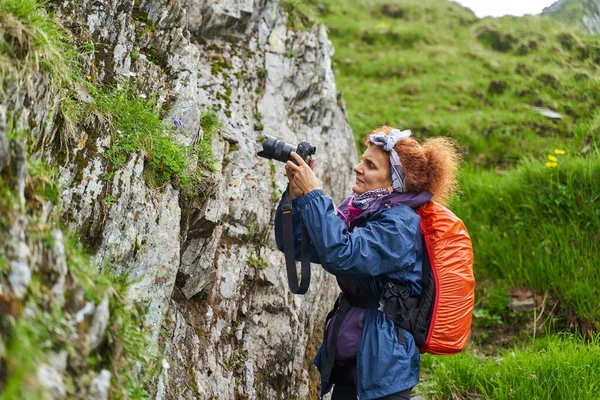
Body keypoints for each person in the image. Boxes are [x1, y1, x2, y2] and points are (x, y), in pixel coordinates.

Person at [274, 125, 461, 400]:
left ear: (394, 182)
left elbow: (342, 255)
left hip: (384, 371)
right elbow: (296, 245)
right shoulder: (360, 211)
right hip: (352, 362)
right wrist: (296, 197)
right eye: (363, 159)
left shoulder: (400, 225)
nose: (357, 167)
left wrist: (314, 195)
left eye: (370, 165)